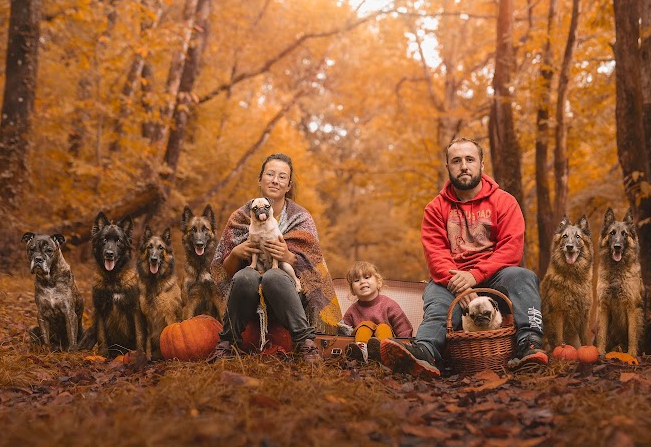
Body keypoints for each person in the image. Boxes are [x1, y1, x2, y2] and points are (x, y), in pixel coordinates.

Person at [378, 137, 548, 378]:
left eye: (470, 159)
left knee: (523, 277)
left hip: (495, 276)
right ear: (448, 167)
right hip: (452, 278)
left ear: (482, 164)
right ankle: (425, 353)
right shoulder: (435, 208)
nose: (464, 166)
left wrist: (475, 275)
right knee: (436, 300)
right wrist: (460, 285)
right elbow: (435, 254)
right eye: (456, 161)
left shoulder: (504, 202)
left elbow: (511, 249)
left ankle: (529, 345)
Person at [209, 153, 342, 364]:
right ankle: (227, 344)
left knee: (274, 276)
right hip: (246, 301)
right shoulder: (241, 217)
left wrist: (289, 256)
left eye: (282, 177)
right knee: (245, 276)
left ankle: (305, 343)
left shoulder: (301, 218)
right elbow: (224, 270)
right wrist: (235, 253)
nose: (275, 180)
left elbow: (313, 267)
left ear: (288, 185)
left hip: (287, 300)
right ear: (260, 179)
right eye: (270, 174)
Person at [340, 261, 413, 363]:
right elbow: (344, 332)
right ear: (352, 290)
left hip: (388, 351)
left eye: (367, 277)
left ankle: (384, 353)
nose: (362, 282)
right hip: (363, 354)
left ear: (379, 283)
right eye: (356, 280)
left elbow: (404, 329)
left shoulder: (389, 305)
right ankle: (361, 353)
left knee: (383, 327)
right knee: (364, 327)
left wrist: (407, 348)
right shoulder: (352, 311)